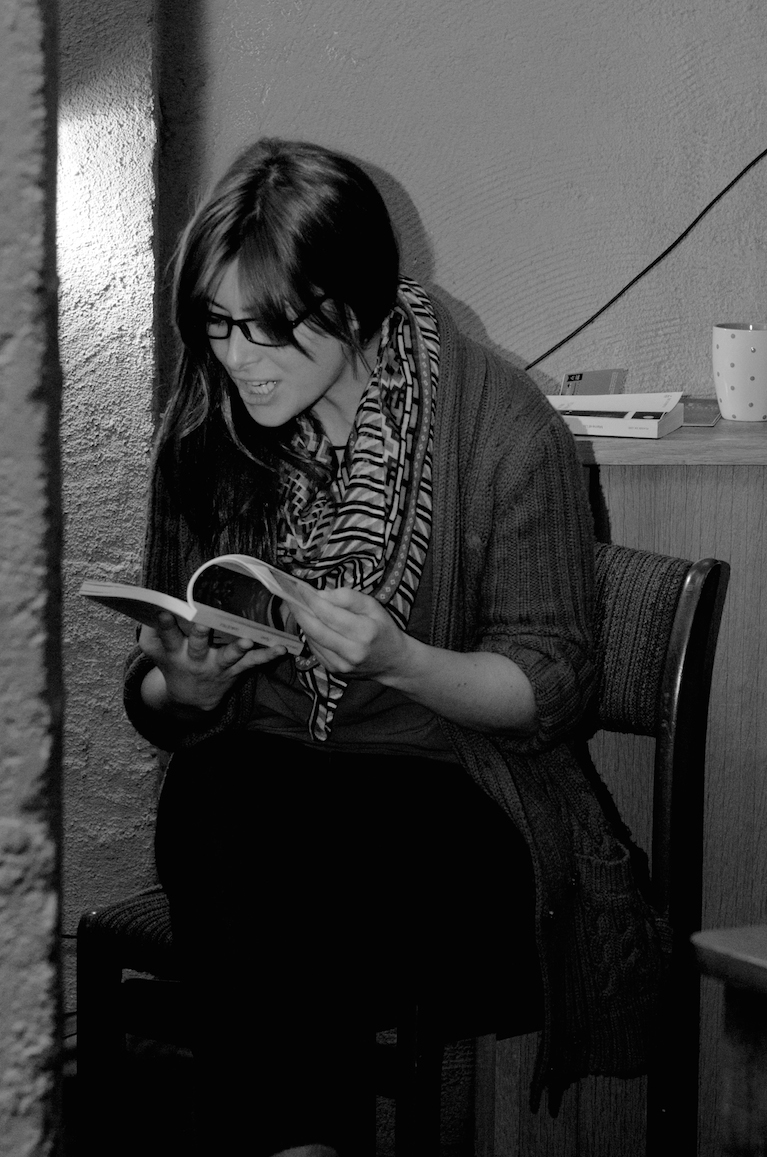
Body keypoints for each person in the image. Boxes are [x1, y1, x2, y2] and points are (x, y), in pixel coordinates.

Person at [123, 138, 667, 1156]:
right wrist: (180, 686)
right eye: (215, 324)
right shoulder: (208, 424)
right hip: (262, 813)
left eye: (268, 327)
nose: (236, 357)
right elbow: (160, 692)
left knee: (265, 854)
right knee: (228, 799)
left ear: (352, 304)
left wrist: (400, 661)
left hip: (460, 815)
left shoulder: (502, 426)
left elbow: (552, 686)